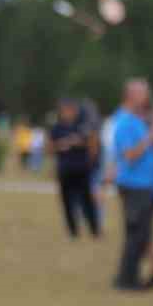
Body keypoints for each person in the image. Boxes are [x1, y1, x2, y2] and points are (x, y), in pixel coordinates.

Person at [111, 78, 153, 291]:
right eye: (143, 94)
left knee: (142, 233)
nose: (147, 98)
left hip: (147, 185)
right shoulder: (124, 122)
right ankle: (127, 280)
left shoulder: (139, 120)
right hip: (134, 186)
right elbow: (130, 155)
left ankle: (134, 276)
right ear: (131, 95)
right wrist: (150, 137)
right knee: (136, 234)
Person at [50, 98, 100, 239]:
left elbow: (93, 143)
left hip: (82, 169)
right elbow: (49, 147)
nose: (66, 113)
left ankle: (94, 230)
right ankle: (73, 232)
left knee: (87, 201)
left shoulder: (82, 126)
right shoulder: (57, 128)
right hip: (65, 170)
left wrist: (90, 160)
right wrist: (61, 144)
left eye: (69, 109)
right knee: (67, 202)